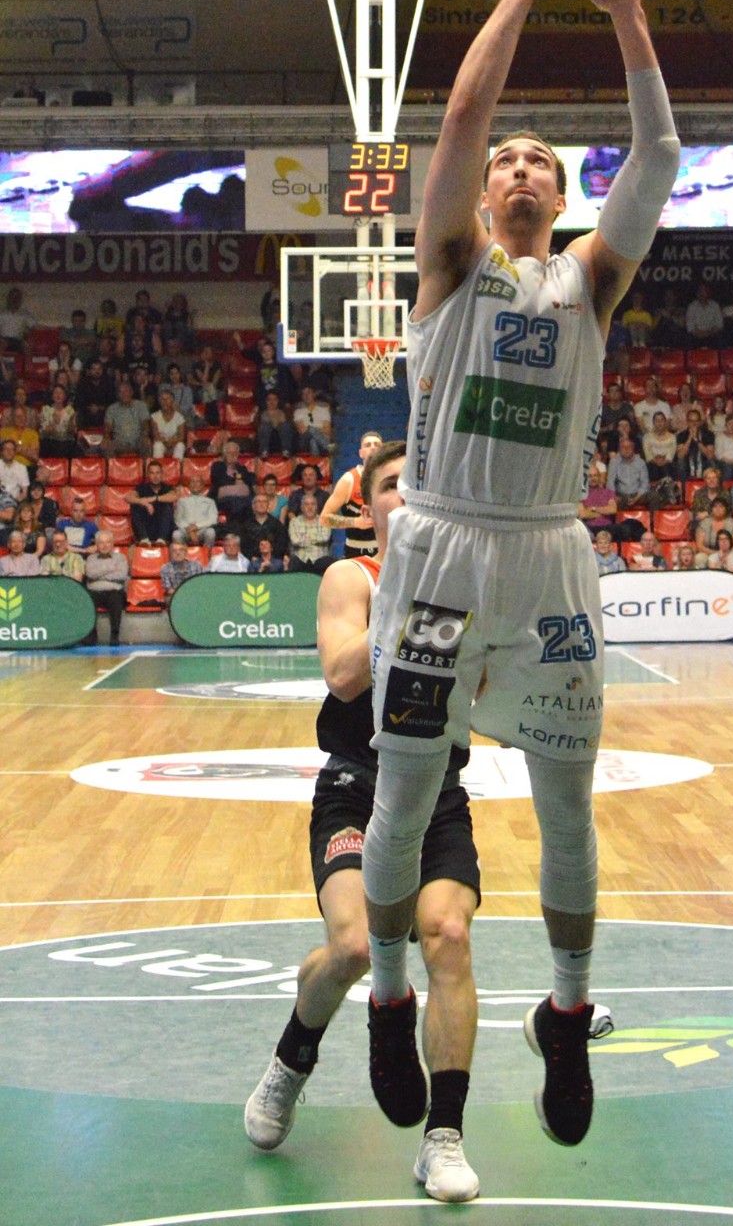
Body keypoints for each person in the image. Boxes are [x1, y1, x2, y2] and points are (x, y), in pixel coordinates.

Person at [360, 0, 678, 1148]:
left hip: (548, 555)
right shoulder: (451, 264)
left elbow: (659, 157)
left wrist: (627, 9)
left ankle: (566, 1010)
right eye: (508, 161)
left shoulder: (588, 279)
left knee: (567, 807)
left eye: (541, 159)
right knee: (403, 794)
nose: (519, 167)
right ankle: (390, 995)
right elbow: (458, 121)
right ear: (486, 191)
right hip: (438, 547)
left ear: (563, 190)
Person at [244, 441, 483, 1204]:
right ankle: (291, 1061)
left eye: (418, 485)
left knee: (447, 935)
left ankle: (442, 1139)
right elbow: (343, 675)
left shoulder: (466, 587)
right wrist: (412, 610)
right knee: (351, 945)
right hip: (357, 784)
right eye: (390, 487)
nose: (405, 497)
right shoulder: (353, 578)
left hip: (437, 788)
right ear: (367, 507)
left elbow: (489, 690)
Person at [320, 431, 383, 558]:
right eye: (368, 445)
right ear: (361, 453)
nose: (372, 447)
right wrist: (355, 522)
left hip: (384, 549)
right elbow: (324, 518)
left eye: (376, 444)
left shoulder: (392, 478)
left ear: (383, 451)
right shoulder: (349, 479)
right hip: (355, 550)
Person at [84, 529, 129, 645]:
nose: (104, 545)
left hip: (114, 592)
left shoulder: (121, 558)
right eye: (101, 542)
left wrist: (99, 575)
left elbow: (121, 575)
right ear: (96, 544)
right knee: (87, 599)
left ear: (112, 544)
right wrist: (110, 569)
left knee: (116, 598)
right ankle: (91, 637)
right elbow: (90, 574)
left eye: (107, 542)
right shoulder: (91, 558)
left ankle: (114, 636)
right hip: (94, 592)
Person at [128, 460, 178, 545]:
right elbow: (128, 497)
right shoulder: (142, 487)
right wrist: (142, 502)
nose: (155, 476)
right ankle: (144, 539)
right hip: (147, 529)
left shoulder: (167, 487)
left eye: (158, 473)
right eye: (152, 473)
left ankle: (161, 540)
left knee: (167, 506)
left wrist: (152, 499)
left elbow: (174, 496)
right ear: (148, 475)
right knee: (134, 505)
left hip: (164, 529)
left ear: (162, 474)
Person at [210, 438, 256, 526]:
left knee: (251, 502)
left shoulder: (242, 468)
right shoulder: (218, 466)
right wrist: (238, 482)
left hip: (244, 499)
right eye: (229, 453)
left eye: (235, 453)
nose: (232, 455)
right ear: (224, 454)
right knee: (238, 503)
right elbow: (219, 481)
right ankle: (236, 527)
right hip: (223, 500)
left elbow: (250, 479)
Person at [287, 491, 333, 575]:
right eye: (306, 504)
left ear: (317, 507)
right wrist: (315, 538)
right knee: (293, 562)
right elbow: (295, 541)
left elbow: (325, 538)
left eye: (313, 504)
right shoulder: (294, 522)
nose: (310, 507)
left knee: (328, 561)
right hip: (301, 559)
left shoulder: (324, 521)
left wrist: (304, 537)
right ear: (301, 507)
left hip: (319, 559)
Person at [103, 379, 151, 458]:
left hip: (137, 441)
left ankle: (146, 466)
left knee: (147, 444)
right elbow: (108, 426)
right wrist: (106, 437)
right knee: (107, 446)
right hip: (119, 442)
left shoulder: (141, 406)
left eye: (126, 391)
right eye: (120, 392)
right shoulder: (112, 408)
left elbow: (145, 423)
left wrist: (145, 435)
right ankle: (112, 467)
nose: (123, 394)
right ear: (118, 395)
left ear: (131, 392)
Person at [172, 471, 219, 548]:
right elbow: (178, 519)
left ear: (202, 485)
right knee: (176, 534)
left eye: (198, 482)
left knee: (211, 532)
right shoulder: (182, 501)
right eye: (192, 482)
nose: (195, 484)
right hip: (186, 530)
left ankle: (207, 554)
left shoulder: (210, 501)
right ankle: (182, 553)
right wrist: (190, 531)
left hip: (202, 529)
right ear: (189, 485)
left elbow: (213, 519)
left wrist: (197, 526)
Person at [240, 491, 288, 563]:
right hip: (251, 562)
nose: (261, 504)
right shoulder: (246, 525)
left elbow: (282, 544)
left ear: (268, 506)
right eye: (258, 502)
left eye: (264, 502)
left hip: (273, 561)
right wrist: (251, 557)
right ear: (253, 506)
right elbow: (244, 546)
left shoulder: (277, 524)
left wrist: (270, 558)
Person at [150, 387, 187, 460]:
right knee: (157, 445)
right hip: (162, 443)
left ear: (172, 400)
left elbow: (182, 437)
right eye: (162, 399)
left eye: (167, 399)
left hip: (175, 443)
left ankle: (177, 466)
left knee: (180, 445)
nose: (164, 401)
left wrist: (172, 442)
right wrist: (166, 442)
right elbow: (156, 436)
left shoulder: (179, 417)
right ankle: (157, 466)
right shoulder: (154, 416)